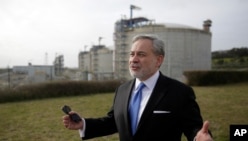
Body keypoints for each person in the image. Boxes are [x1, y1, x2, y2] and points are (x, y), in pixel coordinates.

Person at [62, 34, 213, 141]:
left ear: (158, 60)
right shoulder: (122, 90)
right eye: (131, 54)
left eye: (141, 54)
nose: (133, 59)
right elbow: (114, 121)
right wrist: (84, 124)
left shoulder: (179, 92)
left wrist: (198, 137)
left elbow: (194, 127)